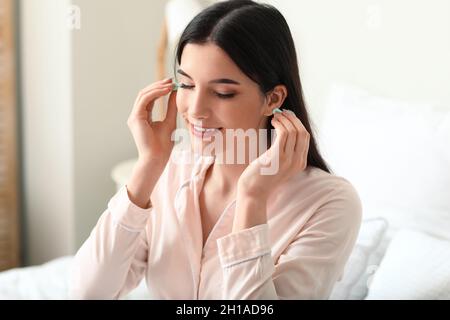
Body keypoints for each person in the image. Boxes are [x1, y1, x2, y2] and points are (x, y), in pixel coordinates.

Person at [69, 0, 362, 300]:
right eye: (187, 85)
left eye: (222, 93)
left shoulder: (330, 204)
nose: (195, 110)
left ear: (273, 98)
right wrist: (148, 166)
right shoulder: (167, 173)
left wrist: (252, 197)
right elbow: (88, 293)